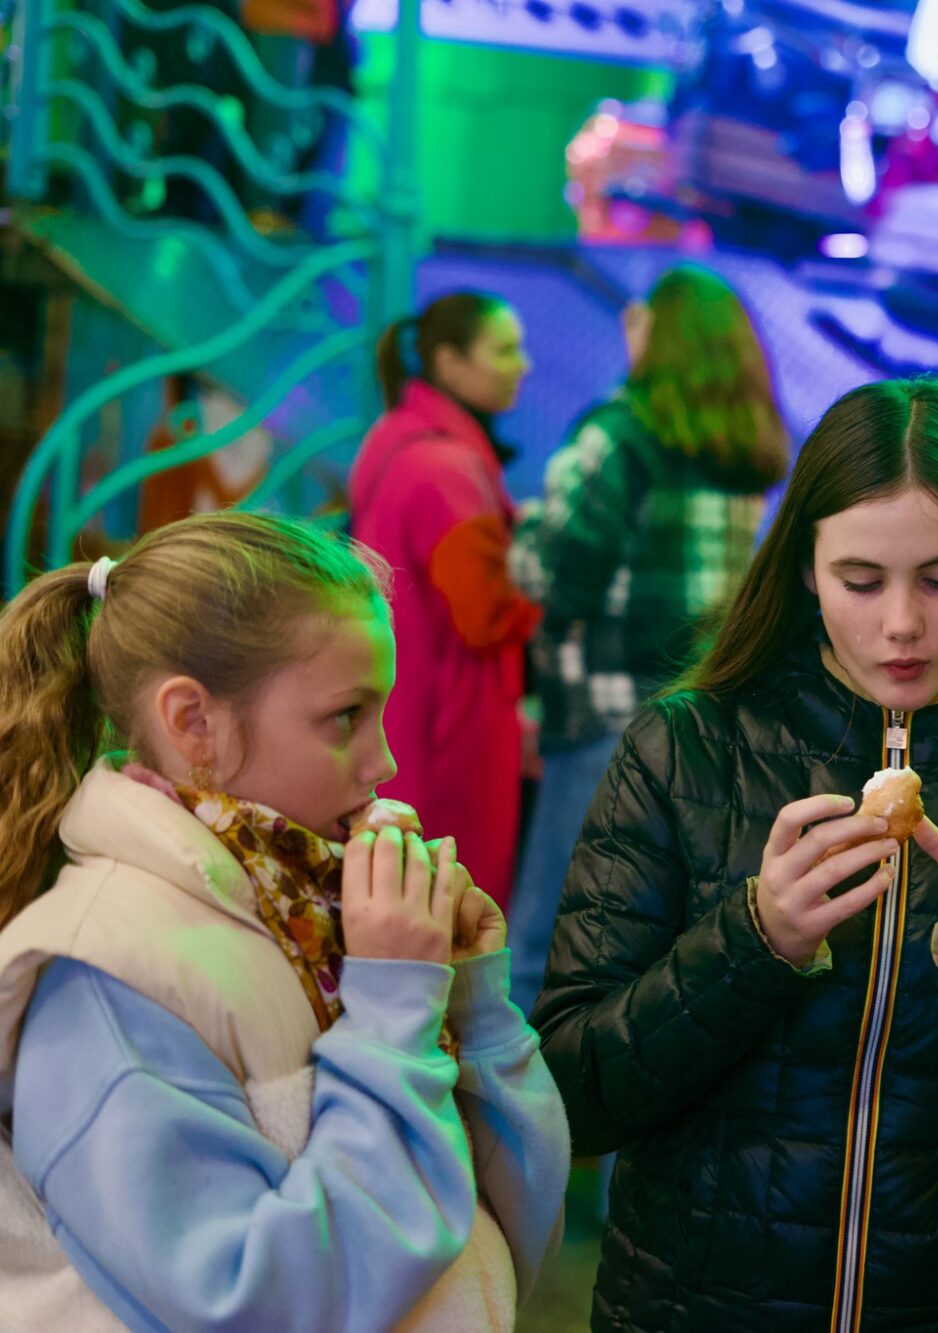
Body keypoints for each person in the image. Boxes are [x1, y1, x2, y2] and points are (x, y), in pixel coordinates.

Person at [532, 378, 938, 1331]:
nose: (903, 624)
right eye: (861, 580)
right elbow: (572, 1096)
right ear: (804, 564)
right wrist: (754, 940)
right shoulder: (688, 746)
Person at [0, 512, 569, 1331]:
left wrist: (471, 1006)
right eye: (345, 717)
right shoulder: (103, 978)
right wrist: (391, 1010)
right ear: (194, 724)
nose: (385, 761)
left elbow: (510, 1234)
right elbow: (262, 1302)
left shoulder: (312, 903)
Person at [507, 265, 787, 1012]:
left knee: (545, 928)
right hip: (700, 717)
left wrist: (522, 531)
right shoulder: (743, 447)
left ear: (657, 336)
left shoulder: (619, 434)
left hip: (601, 714)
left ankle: (509, 1117)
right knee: (651, 931)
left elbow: (556, 574)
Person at [351, 290, 540, 908]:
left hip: (402, 705)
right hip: (451, 725)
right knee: (451, 909)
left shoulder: (396, 438)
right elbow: (485, 616)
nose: (522, 365)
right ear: (450, 362)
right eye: (505, 350)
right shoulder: (446, 469)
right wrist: (548, 581)